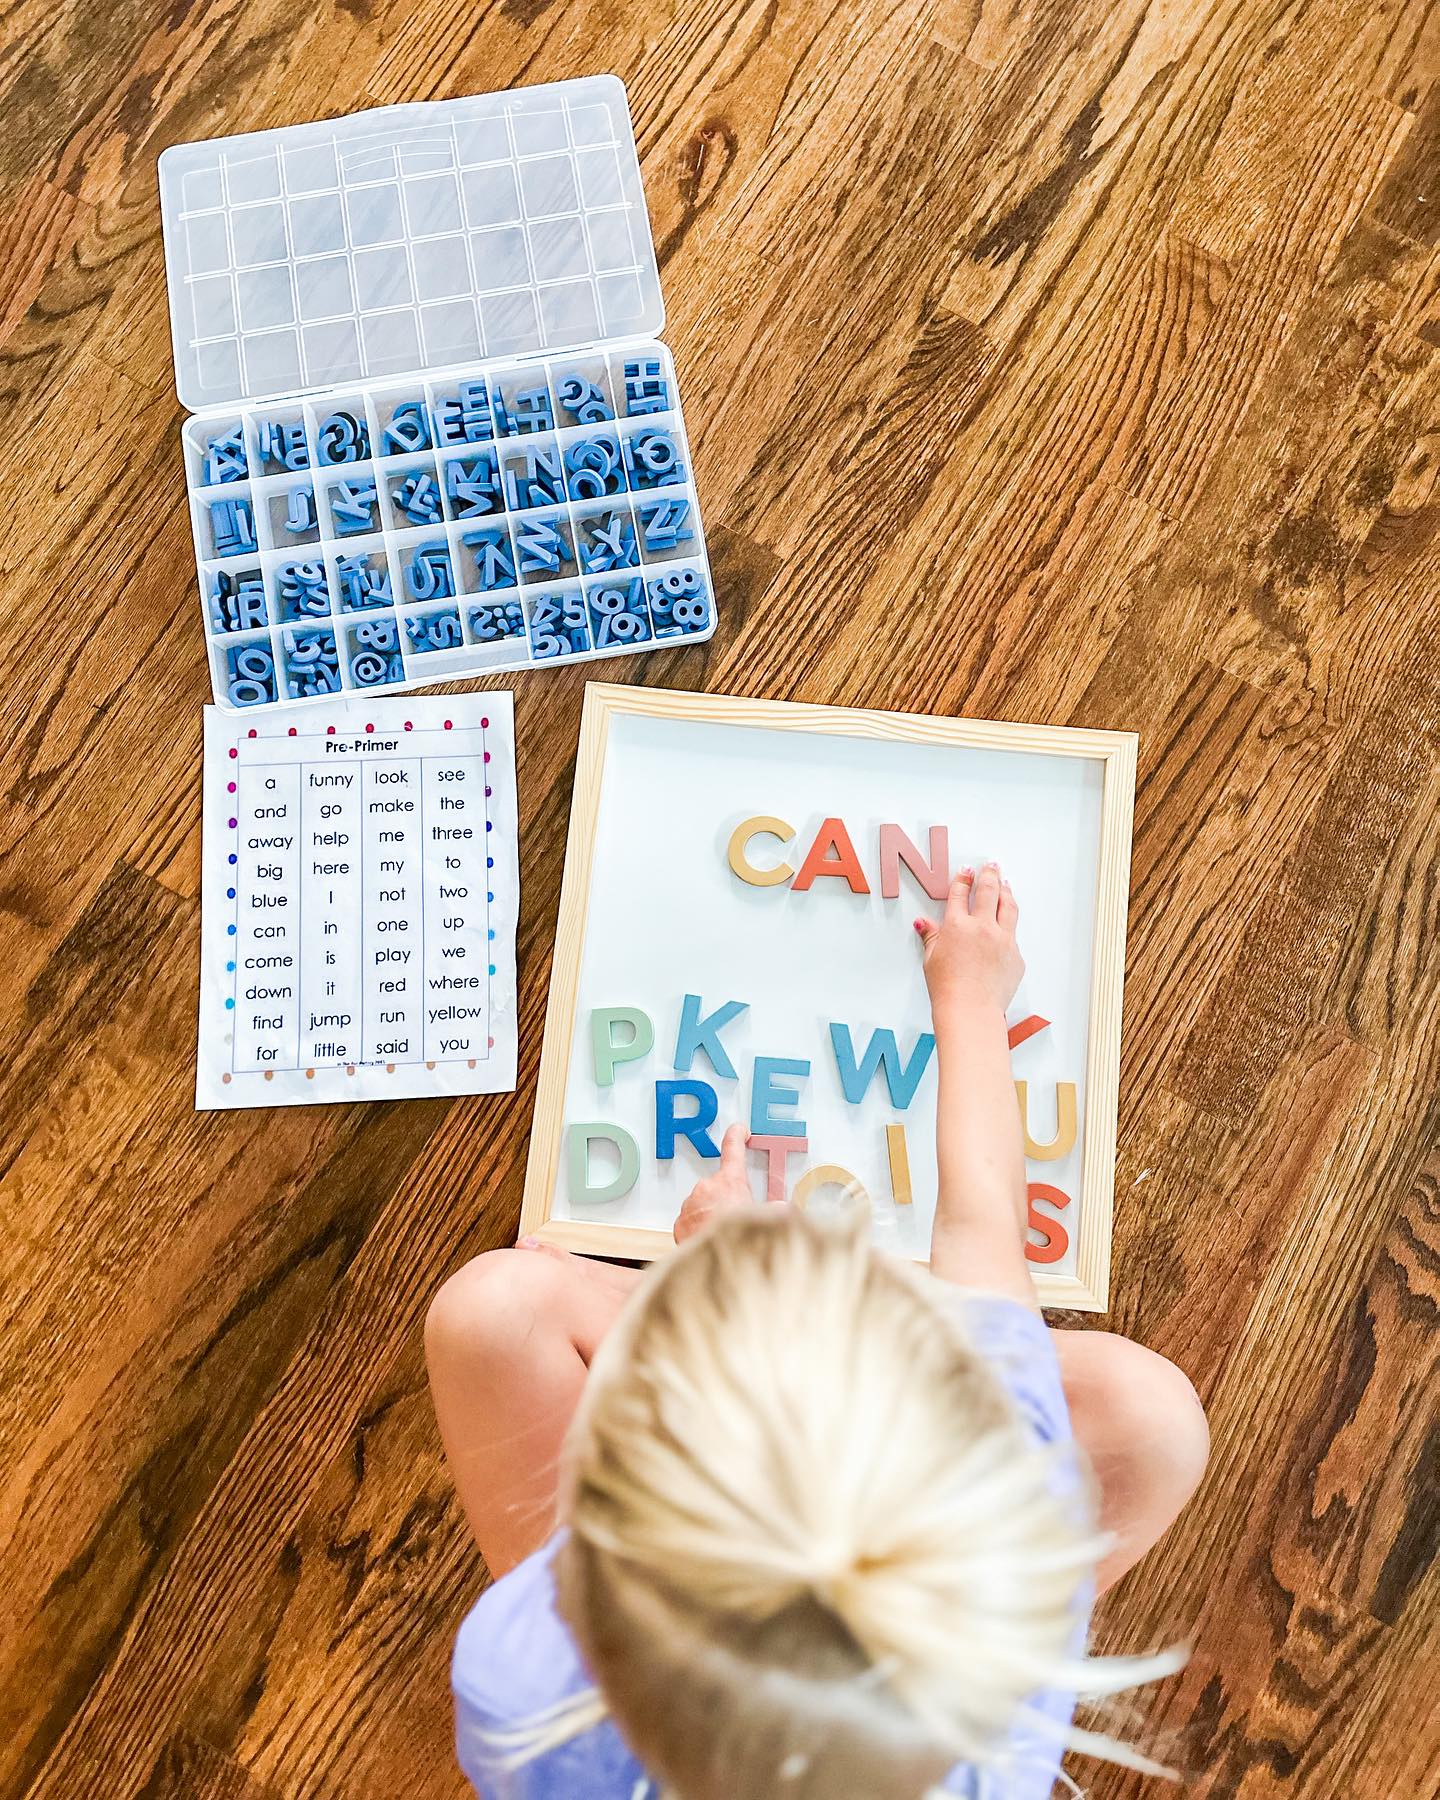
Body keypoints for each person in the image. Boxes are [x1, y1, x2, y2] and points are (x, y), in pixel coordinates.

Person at [427, 862, 1210, 1797]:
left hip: (636, 1640)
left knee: (492, 1312)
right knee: (1156, 1419)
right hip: (930, 1610)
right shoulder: (998, 1632)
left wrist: (716, 1276)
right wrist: (970, 991)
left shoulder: (531, 1700)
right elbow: (983, 1218)